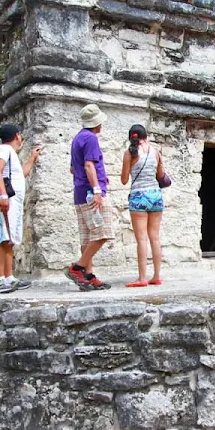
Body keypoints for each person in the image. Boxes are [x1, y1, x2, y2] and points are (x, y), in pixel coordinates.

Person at [67, 104, 116, 291]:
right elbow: (89, 165)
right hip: (91, 193)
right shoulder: (91, 138)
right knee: (103, 233)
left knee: (87, 237)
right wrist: (96, 188)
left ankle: (88, 275)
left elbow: (73, 168)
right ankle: (77, 268)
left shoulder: (78, 138)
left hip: (80, 192)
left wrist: (98, 177)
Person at [0, 123, 41, 293]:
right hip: (5, 200)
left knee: (9, 240)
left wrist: (32, 158)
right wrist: (3, 195)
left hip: (13, 202)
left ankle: (9, 278)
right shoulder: (2, 150)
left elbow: (21, 175)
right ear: (17, 135)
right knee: (1, 238)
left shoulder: (10, 153)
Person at [120, 124, 165, 287]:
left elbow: (124, 180)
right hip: (156, 195)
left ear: (131, 137)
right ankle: (157, 276)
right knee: (155, 237)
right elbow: (161, 175)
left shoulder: (129, 153)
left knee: (141, 239)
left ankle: (142, 278)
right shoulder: (156, 152)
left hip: (139, 196)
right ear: (145, 136)